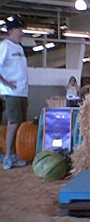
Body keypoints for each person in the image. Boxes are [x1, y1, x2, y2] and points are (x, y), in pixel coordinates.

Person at [0, 16, 28, 170]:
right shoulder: (5, 46)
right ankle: (7, 156)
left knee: (21, 125)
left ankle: (15, 154)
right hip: (12, 93)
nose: (21, 33)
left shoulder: (19, 48)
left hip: (22, 92)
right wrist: (6, 83)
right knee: (13, 123)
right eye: (19, 30)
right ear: (10, 31)